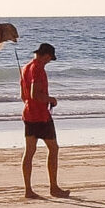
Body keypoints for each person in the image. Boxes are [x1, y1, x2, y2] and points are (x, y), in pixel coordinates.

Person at [20, 41, 69, 200]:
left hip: (28, 114)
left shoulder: (25, 68)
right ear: (46, 55)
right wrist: (51, 99)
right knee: (53, 149)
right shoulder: (38, 69)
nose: (49, 62)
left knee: (29, 152)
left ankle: (28, 189)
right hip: (41, 116)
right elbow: (35, 94)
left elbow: (24, 96)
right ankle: (54, 187)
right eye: (49, 59)